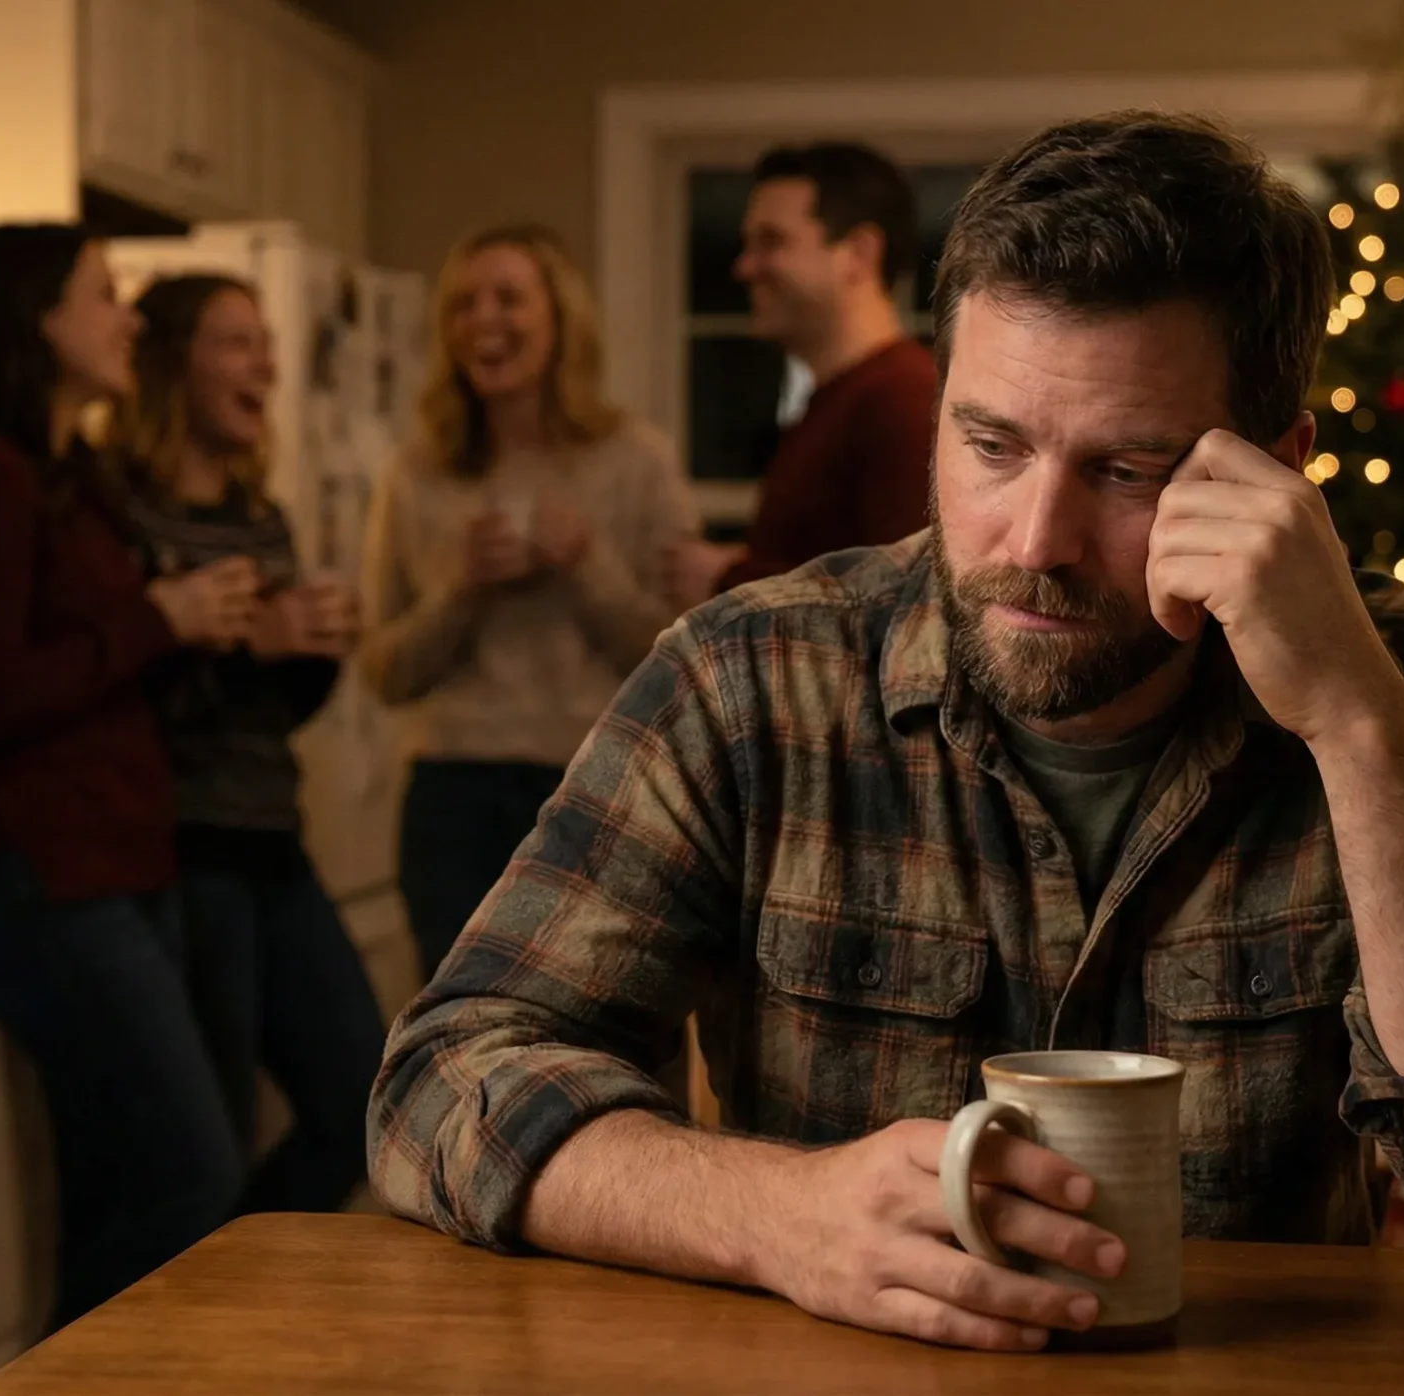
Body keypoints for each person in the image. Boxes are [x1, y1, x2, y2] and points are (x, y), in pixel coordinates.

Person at [369, 113, 1404, 1352]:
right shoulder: (748, 681)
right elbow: (444, 1084)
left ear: (1275, 467)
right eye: (991, 444)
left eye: (1126, 471)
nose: (1034, 545)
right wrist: (771, 1217)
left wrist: (1355, 725)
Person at [0, 223, 261, 1329]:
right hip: (43, 876)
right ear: (35, 320)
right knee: (191, 1177)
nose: (131, 318)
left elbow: (102, 658)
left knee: (128, 1184)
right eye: (105, 294)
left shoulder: (70, 473)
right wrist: (156, 619)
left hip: (117, 858)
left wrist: (221, 629)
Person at [114, 272, 387, 1215]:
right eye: (236, 341)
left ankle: (238, 1265)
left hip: (275, 840)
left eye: (266, 343)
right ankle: (201, 1328)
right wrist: (249, 644)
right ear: (171, 363)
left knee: (365, 1097)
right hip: (185, 856)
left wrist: (313, 649)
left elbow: (269, 713)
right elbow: (122, 701)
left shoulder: (257, 513)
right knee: (208, 1135)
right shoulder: (119, 509)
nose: (265, 363)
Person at [358, 224, 698, 979]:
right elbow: (382, 671)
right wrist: (461, 589)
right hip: (452, 793)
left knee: (615, 1017)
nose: (484, 321)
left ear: (559, 320)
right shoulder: (415, 472)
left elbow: (683, 664)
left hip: (597, 783)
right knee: (459, 1029)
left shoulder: (635, 459)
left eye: (508, 299)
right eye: (462, 305)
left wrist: (586, 565)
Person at [665, 142, 941, 608]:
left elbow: (911, 605)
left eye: (771, 242)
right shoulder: (833, 398)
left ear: (858, 252)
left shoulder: (902, 399)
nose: (744, 267)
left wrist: (730, 578)